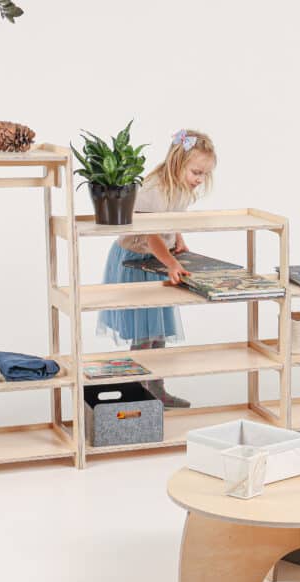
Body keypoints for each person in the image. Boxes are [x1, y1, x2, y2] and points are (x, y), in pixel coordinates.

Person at [97, 129, 216, 408]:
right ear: (178, 163)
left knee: (158, 334)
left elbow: (171, 220)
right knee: (144, 335)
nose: (200, 180)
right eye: (197, 172)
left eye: (205, 175)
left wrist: (178, 240)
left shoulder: (181, 188)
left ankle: (157, 390)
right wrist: (171, 262)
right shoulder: (154, 189)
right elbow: (150, 235)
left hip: (157, 260)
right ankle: (137, 395)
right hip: (135, 261)